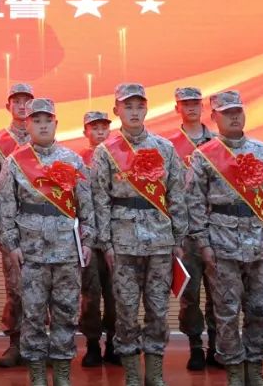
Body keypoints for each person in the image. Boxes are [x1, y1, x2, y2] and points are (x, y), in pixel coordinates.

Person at [186, 90, 263, 386]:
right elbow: (194, 203)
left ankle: (255, 369)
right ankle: (233, 370)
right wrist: (203, 243)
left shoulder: (261, 151)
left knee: (259, 310)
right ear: (214, 117)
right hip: (221, 244)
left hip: (258, 243)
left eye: (237, 111)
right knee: (227, 312)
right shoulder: (204, 155)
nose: (234, 117)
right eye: (227, 112)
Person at [91, 83, 188, 386]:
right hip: (123, 243)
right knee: (126, 310)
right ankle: (132, 373)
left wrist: (178, 238)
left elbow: (176, 195)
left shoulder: (164, 148)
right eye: (127, 106)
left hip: (160, 241)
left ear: (146, 109)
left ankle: (154, 373)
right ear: (116, 110)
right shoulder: (105, 152)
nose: (134, 112)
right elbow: (99, 200)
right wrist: (106, 243)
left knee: (158, 309)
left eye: (139, 106)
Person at [0, 98, 95, 386]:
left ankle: (62, 375)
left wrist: (87, 241)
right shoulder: (14, 162)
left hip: (67, 252)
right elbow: (5, 209)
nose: (42, 126)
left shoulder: (73, 160)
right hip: (31, 254)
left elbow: (86, 207)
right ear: (27, 125)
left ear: (56, 123)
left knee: (66, 313)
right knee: (33, 315)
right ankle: (38, 377)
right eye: (36, 121)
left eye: (47, 120)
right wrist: (11, 245)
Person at [166, 87, 220, 370]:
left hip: (217, 229)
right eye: (185, 103)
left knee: (219, 292)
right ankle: (195, 346)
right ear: (177, 108)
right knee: (189, 293)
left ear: (203, 106)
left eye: (195, 103)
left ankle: (216, 346)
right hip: (185, 232)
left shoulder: (219, 143)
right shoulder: (168, 146)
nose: (191, 107)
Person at [0, 83, 34, 368]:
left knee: (42, 286)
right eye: (17, 101)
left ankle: (38, 342)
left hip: (43, 227)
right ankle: (15, 343)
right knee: (15, 287)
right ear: (8, 106)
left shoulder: (44, 139)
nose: (22, 106)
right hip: (11, 227)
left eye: (27, 100)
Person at [76, 110, 117, 367]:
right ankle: (92, 344)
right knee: (90, 295)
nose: (100, 132)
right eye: (94, 127)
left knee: (116, 295)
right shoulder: (77, 160)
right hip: (88, 239)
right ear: (85, 132)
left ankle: (113, 343)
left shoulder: (118, 157)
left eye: (104, 127)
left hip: (115, 236)